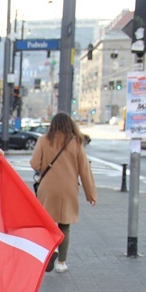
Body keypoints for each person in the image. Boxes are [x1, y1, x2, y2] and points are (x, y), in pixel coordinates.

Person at [30, 112, 97, 273]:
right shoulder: (76, 142)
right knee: (64, 225)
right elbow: (84, 170)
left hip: (48, 188)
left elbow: (34, 163)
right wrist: (91, 195)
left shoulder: (43, 140)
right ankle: (61, 262)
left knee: (46, 223)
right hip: (68, 188)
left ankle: (50, 252)